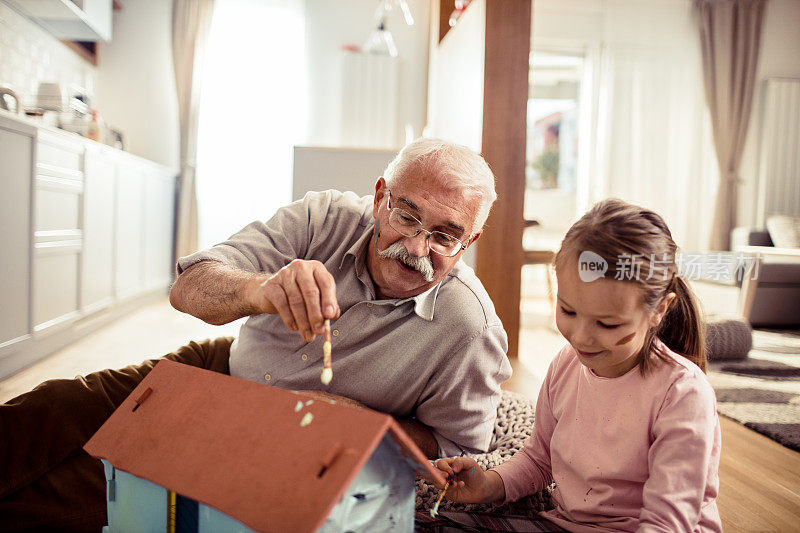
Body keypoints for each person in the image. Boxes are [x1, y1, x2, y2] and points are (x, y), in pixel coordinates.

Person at [0, 138, 511, 530]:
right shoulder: (324, 218)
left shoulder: (470, 329)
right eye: (407, 216)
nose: (418, 247)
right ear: (380, 197)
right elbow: (189, 286)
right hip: (222, 365)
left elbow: (454, 450)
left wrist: (361, 424)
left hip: (296, 442)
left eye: (445, 235)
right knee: (54, 406)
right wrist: (260, 290)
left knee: (82, 490)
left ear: (471, 241)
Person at [434, 199, 722, 532]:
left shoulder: (683, 394)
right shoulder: (566, 365)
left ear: (659, 310)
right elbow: (539, 460)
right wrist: (487, 484)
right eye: (568, 312)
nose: (581, 338)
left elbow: (667, 522)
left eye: (608, 324)